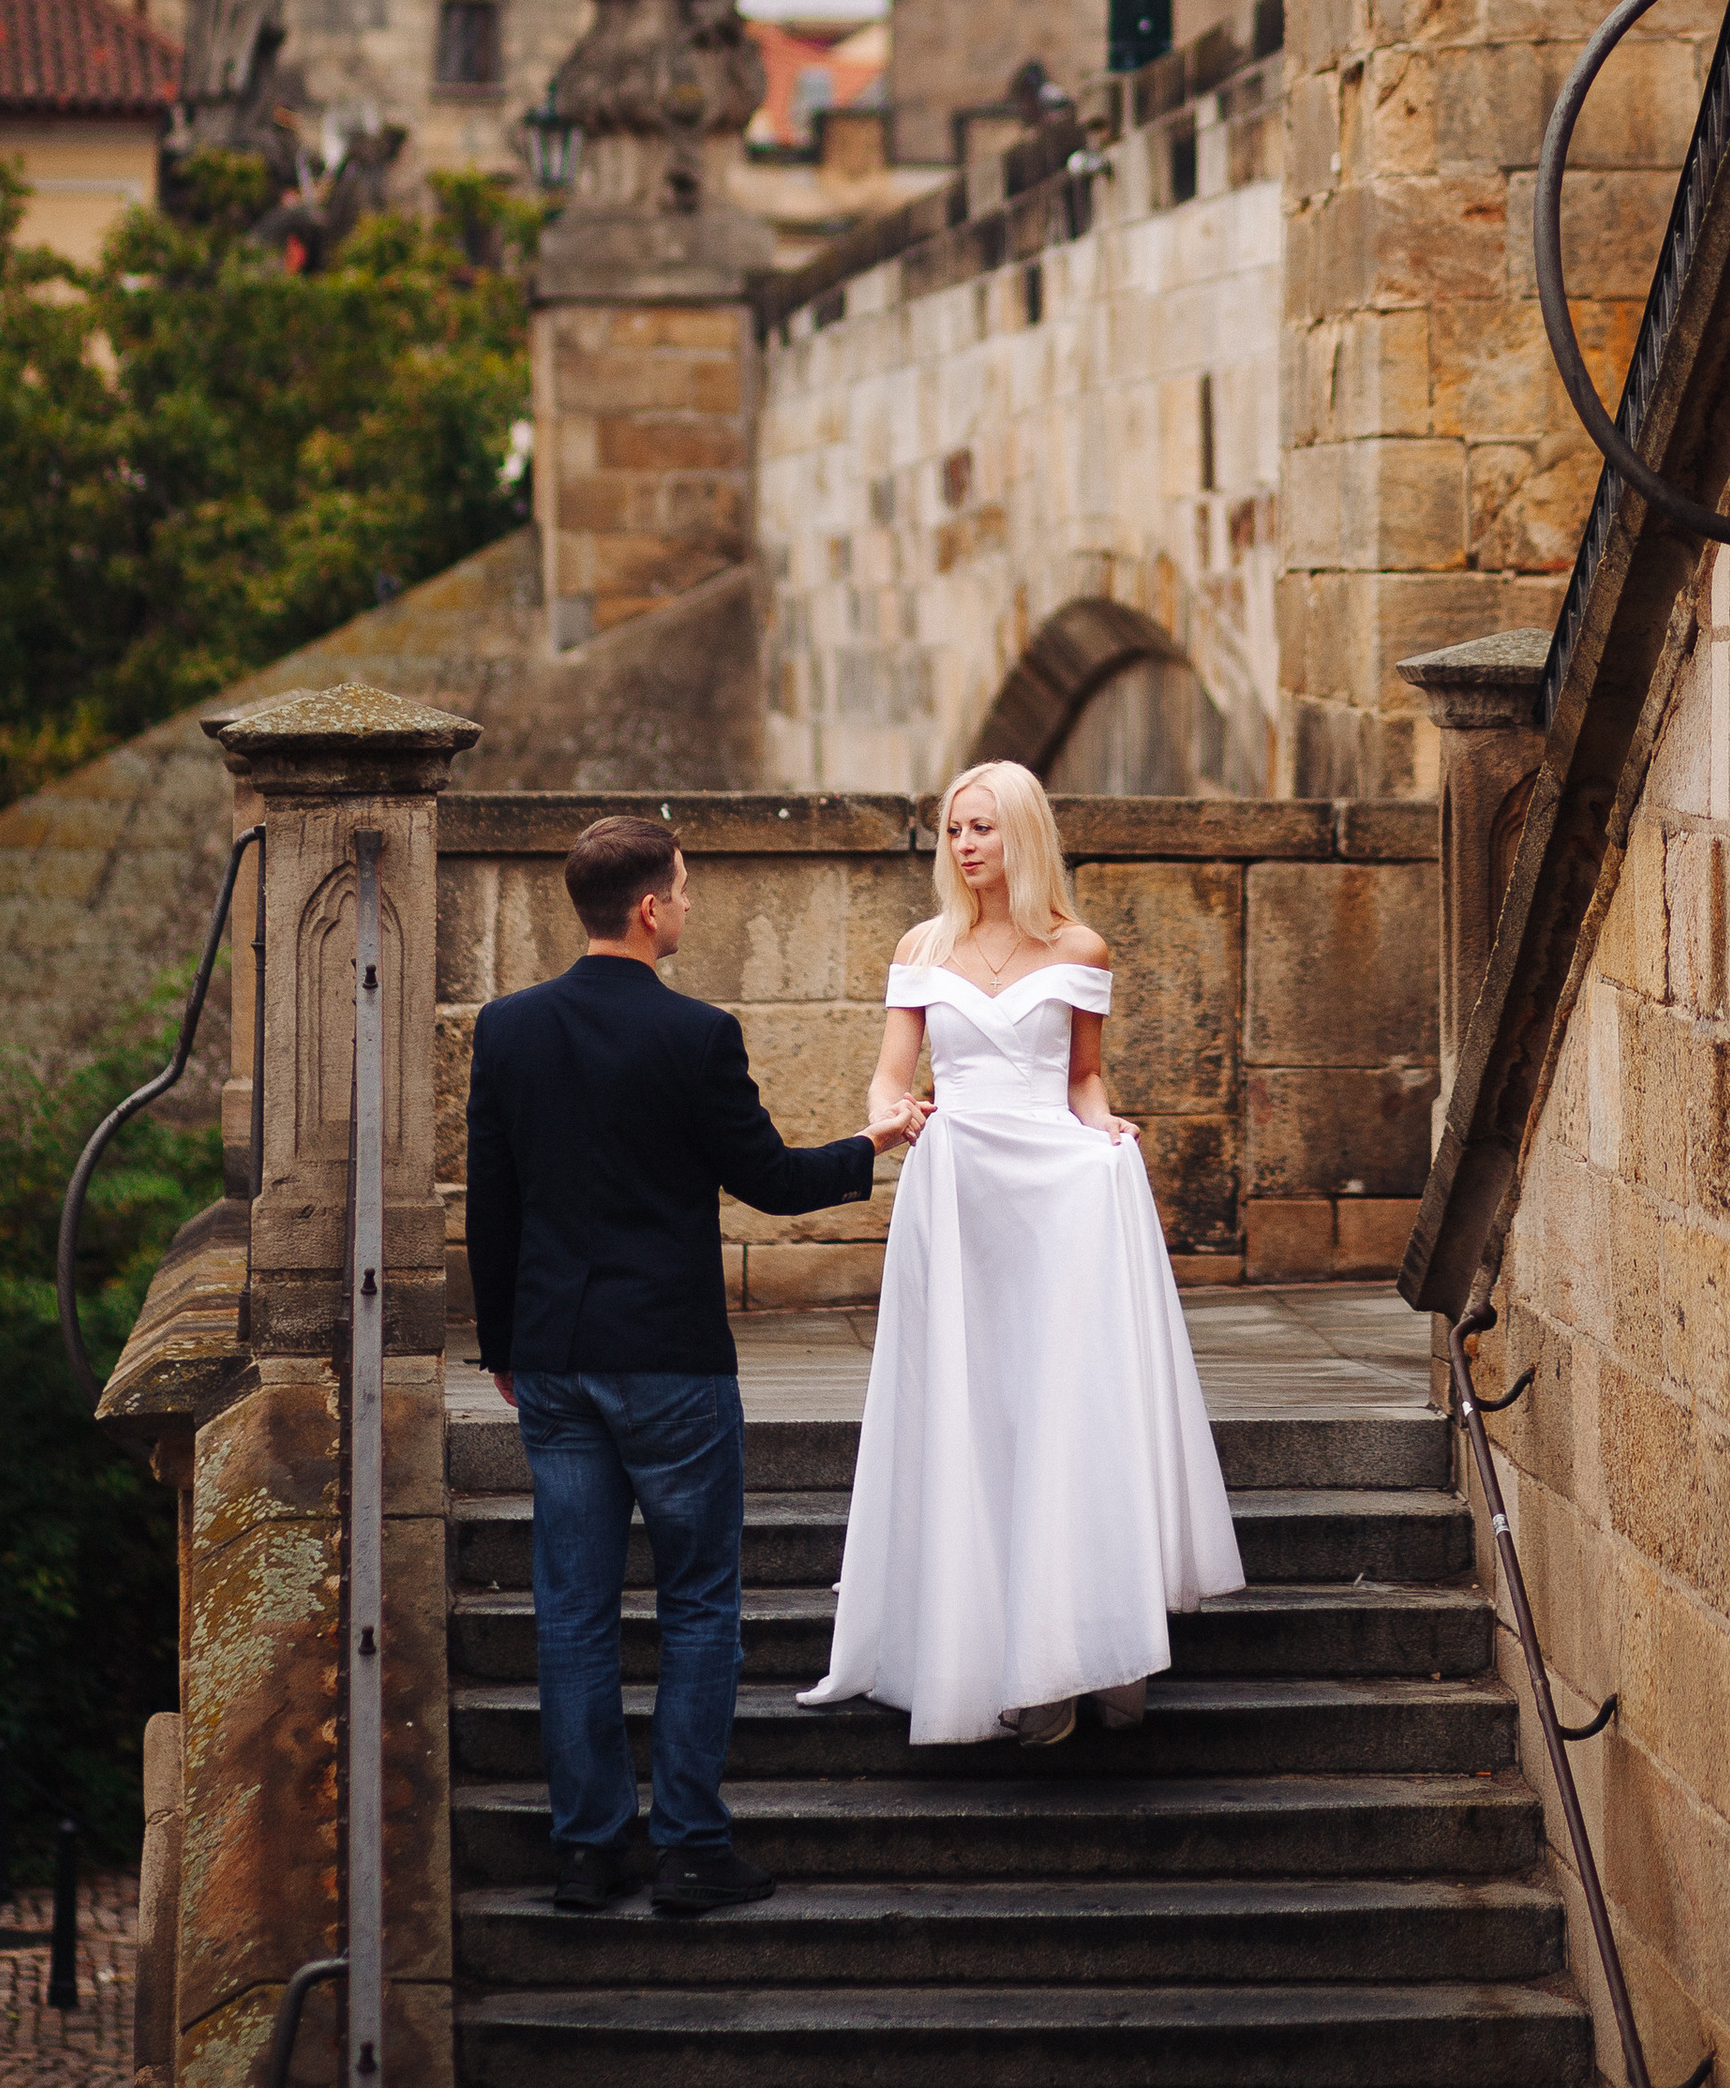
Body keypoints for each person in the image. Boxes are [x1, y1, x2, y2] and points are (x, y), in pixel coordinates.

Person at [465, 812, 925, 1914]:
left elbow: (493, 1204)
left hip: (558, 1361)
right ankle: (689, 1849)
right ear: (650, 909)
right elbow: (767, 1179)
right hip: (670, 1360)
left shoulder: (508, 1028)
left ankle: (585, 1852)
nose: (689, 906)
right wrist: (879, 1142)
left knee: (572, 1609)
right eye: (684, 889)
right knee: (699, 1604)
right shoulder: (696, 1035)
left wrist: (503, 1350)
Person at [801, 760, 1241, 1747]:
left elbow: (1083, 1077)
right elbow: (887, 1078)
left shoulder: (1079, 946)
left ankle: (1079, 1646)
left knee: (1062, 1407)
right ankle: (981, 1644)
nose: (964, 845)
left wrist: (1107, 1132)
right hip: (958, 1195)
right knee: (975, 1404)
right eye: (954, 829)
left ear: (1023, 836)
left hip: (1055, 1196)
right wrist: (894, 1119)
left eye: (983, 829)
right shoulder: (923, 946)